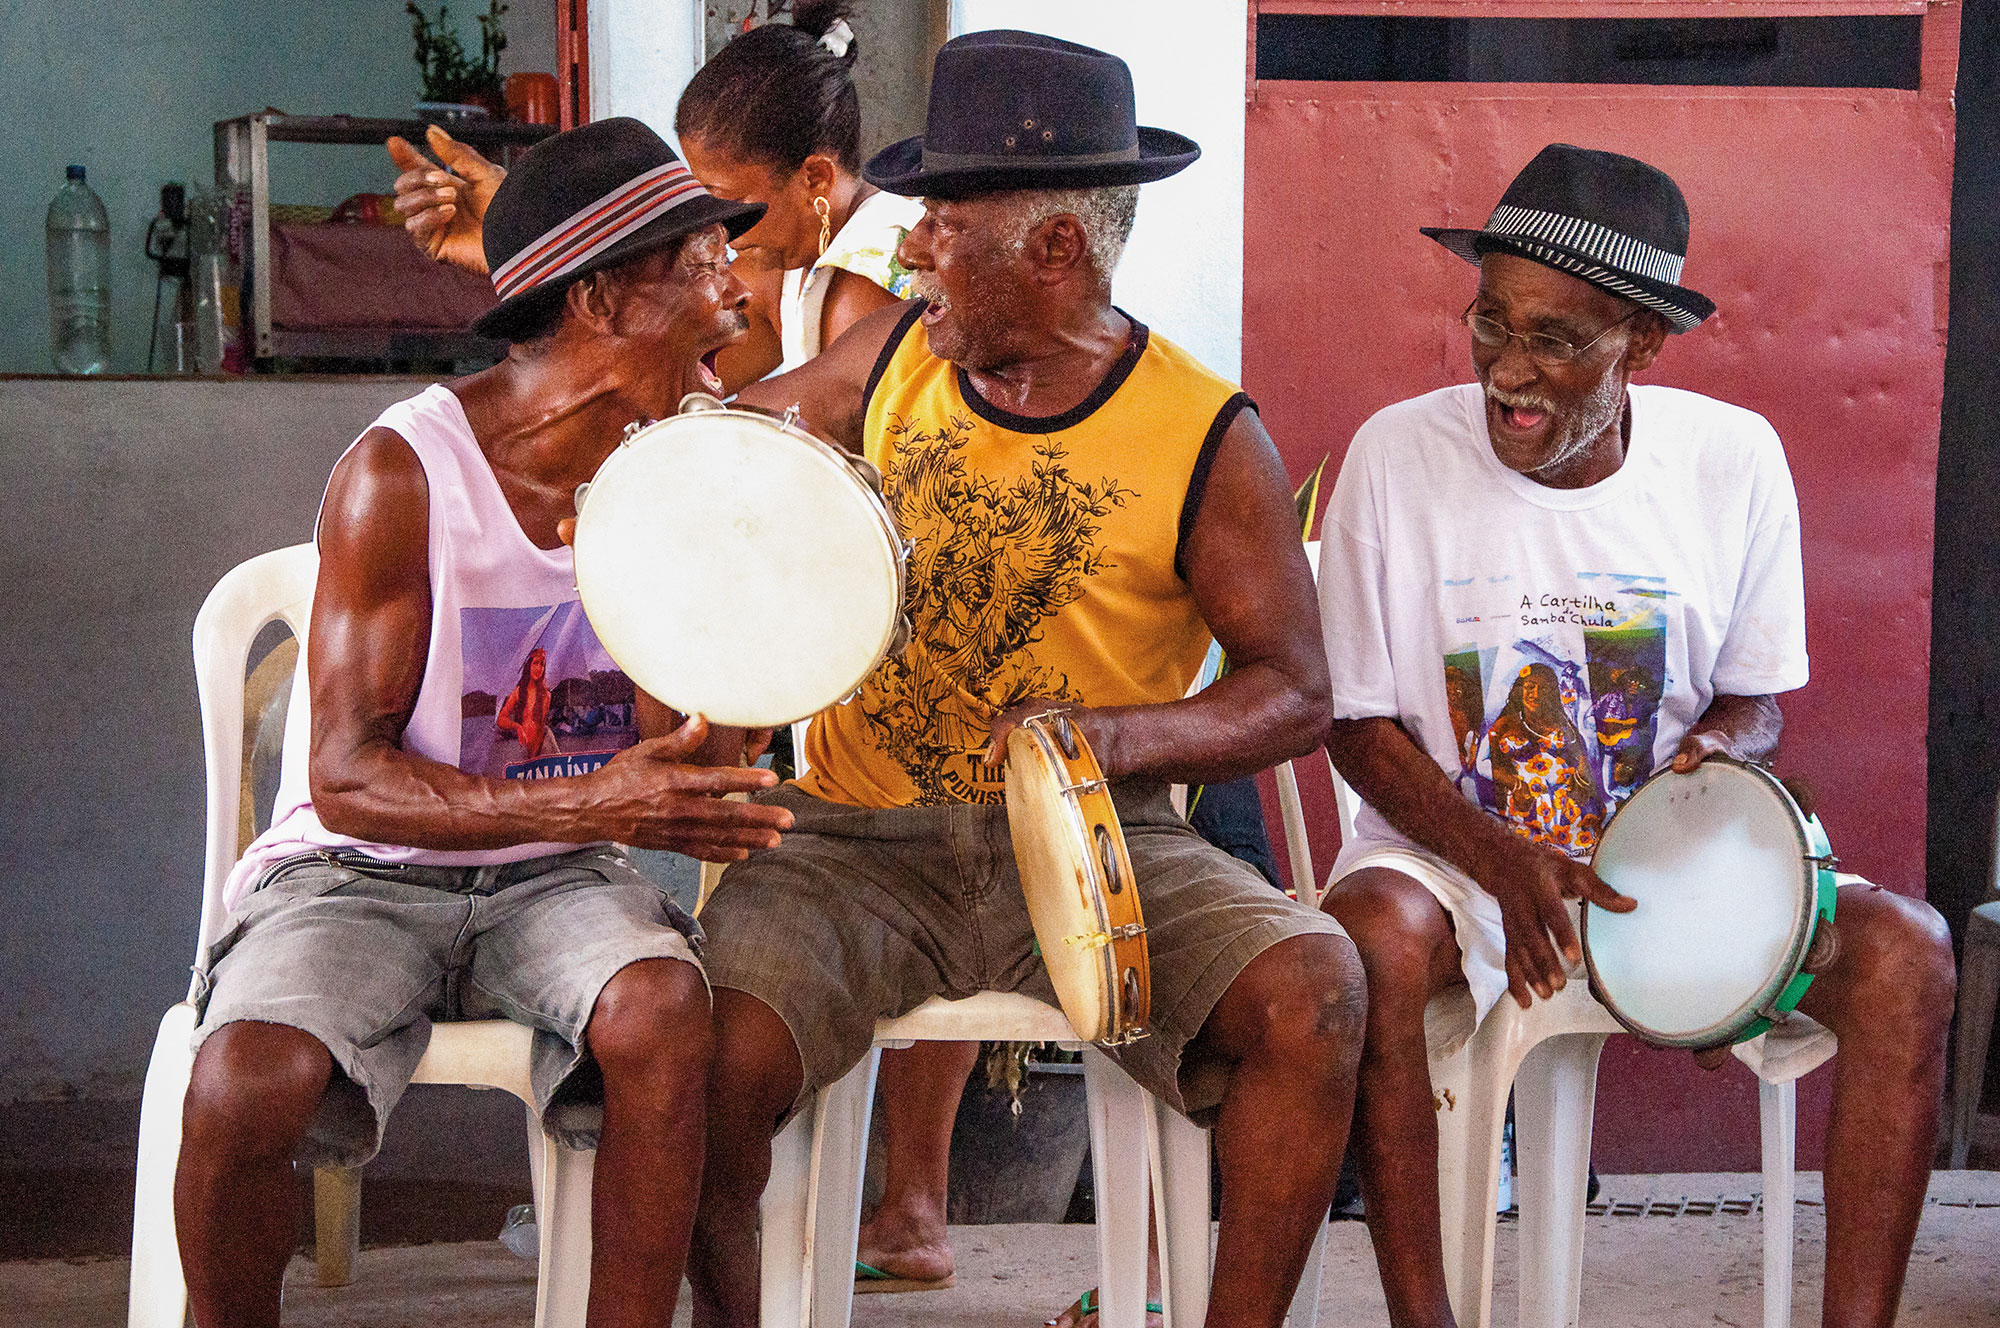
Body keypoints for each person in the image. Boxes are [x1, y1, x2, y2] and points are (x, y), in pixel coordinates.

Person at [678, 31, 1365, 1328]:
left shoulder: (1206, 438)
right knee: (695, 1048)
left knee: (1313, 993)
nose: (914, 247)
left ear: (1054, 250)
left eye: (946, 223)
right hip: (855, 845)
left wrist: (1122, 736)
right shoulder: (889, 363)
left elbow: (1294, 689)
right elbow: (723, 456)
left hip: (1100, 841)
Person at [1316, 143, 1956, 1328]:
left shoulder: (1729, 460)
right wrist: (1497, 858)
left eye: (1556, 340)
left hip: (1658, 862)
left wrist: (1722, 749)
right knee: (1364, 940)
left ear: (1641, 344)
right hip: (1449, 853)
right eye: (1490, 322)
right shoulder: (1393, 456)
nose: (1507, 370)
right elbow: (1355, 728)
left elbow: (1755, 696)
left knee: (1906, 953)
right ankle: (1426, 1317)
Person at [171, 119, 796, 1328]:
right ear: (606, 295)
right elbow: (348, 779)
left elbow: (687, 727)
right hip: (361, 870)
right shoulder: (404, 473)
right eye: (706, 260)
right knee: (243, 1082)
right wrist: (594, 797)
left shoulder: (682, 468)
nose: (738, 291)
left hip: (558, 875)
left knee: (665, 1015)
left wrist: (731, 711)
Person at [388, 7, 963, 1291]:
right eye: (689, 234)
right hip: (807, 615)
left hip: (888, 642)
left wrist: (640, 408)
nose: (720, 262)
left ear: (811, 187)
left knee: (767, 881)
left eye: (724, 224)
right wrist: (552, 273)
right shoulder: (800, 253)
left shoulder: (880, 262)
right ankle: (669, 1160)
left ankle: (870, 1191)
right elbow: (678, 340)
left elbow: (792, 394)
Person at [387, 1, 920, 395]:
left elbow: (802, 444)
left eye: (722, 197)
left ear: (815, 179)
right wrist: (530, 249)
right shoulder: (795, 261)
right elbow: (663, 368)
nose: (721, 229)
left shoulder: (865, 281)